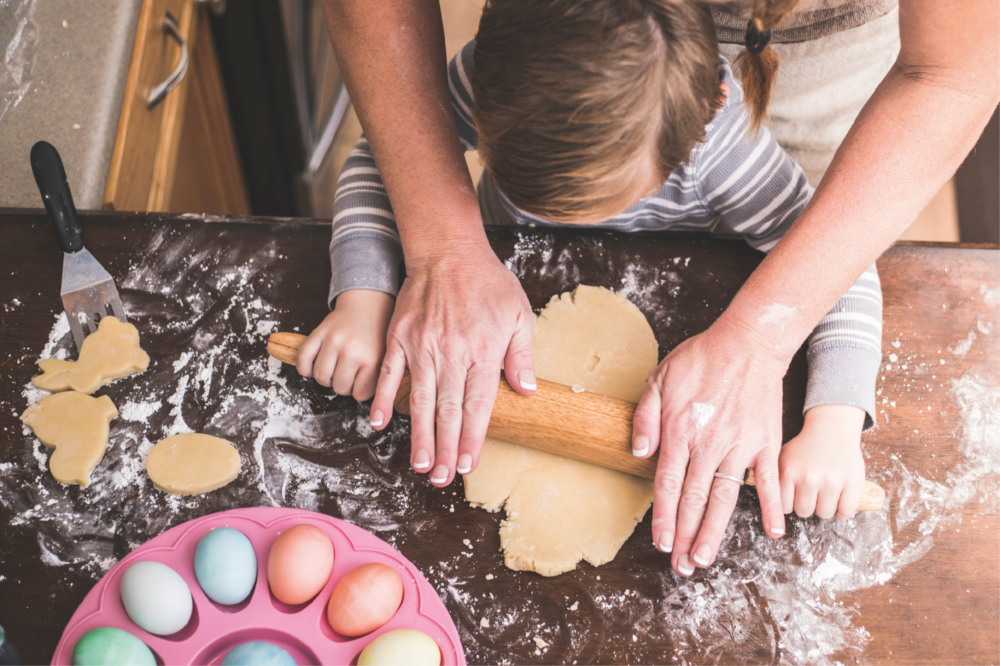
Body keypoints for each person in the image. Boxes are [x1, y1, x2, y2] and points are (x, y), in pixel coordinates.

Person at [316, 0, 997, 576]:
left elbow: (843, 270)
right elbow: (385, 152)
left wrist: (833, 425)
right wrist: (368, 298)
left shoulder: (721, 153)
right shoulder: (507, 80)